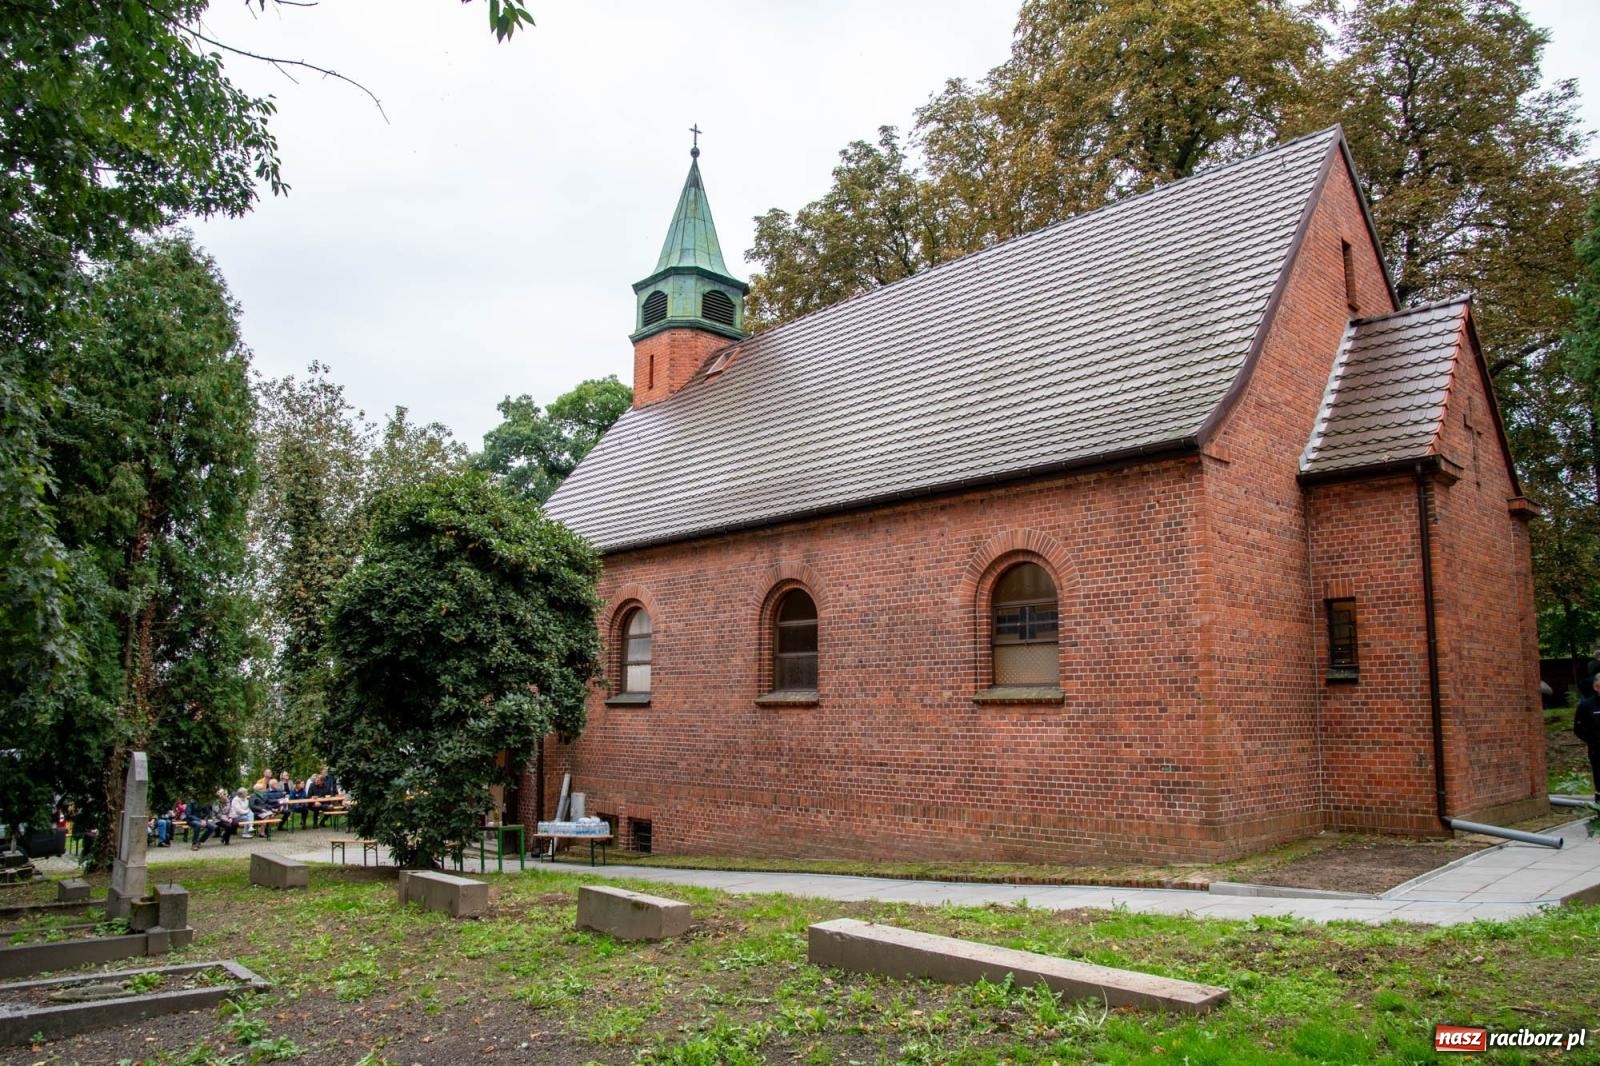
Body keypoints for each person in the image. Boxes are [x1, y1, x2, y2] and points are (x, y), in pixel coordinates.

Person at [1576, 673, 1600, 803]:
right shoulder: (1586, 705)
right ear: (1596, 687)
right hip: (1597, 750)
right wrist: (1593, 740)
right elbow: (1579, 729)